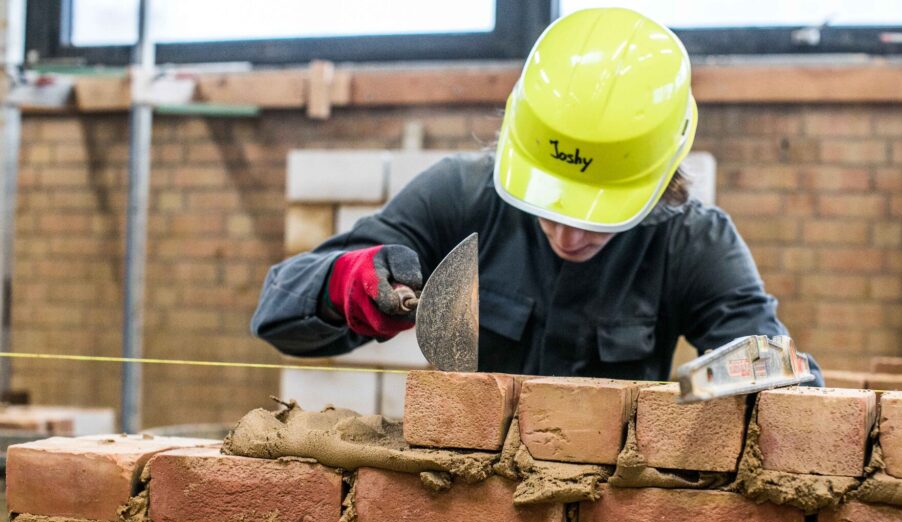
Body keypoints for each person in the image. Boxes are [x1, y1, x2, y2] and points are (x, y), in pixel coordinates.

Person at [252, 7, 823, 384]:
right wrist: (342, 286)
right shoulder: (462, 195)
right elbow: (277, 313)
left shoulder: (693, 240)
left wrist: (741, 379)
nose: (570, 235)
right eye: (550, 208)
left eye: (599, 217)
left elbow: (785, 367)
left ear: (661, 181)